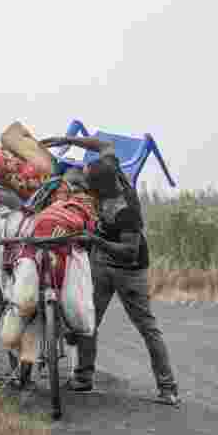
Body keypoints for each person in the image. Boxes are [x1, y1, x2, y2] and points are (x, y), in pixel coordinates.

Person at [38, 135, 180, 406]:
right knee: (87, 320)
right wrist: (65, 139)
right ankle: (83, 378)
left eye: (91, 186)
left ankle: (168, 387)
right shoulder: (113, 169)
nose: (86, 187)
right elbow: (103, 146)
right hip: (102, 263)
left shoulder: (126, 209)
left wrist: (95, 241)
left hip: (130, 272)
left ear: (103, 189)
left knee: (147, 327)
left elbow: (130, 250)